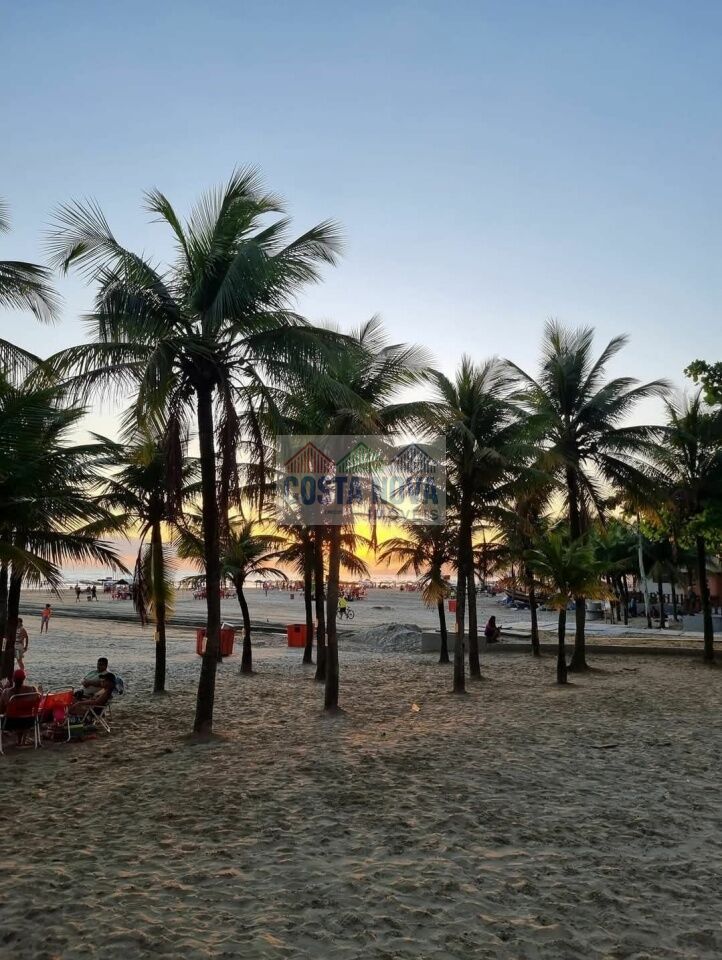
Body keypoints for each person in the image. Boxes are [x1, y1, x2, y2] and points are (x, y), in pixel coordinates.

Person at [0, 669, 40, 746]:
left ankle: (20, 740)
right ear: (24, 678)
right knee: (23, 713)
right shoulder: (32, 690)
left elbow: (1, 710)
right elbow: (37, 705)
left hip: (10, 723)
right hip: (29, 722)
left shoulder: (6, 692)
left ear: (13, 679)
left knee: (14, 714)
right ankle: (22, 740)